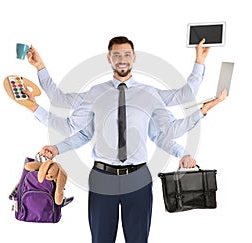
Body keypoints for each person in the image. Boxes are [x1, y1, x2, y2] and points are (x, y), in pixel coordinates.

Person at [24, 36, 226, 243]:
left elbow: (174, 114)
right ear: (109, 58)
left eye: (127, 54)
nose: (122, 59)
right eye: (117, 54)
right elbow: (67, 111)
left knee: (138, 240)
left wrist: (200, 66)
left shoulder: (148, 94)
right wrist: (39, 72)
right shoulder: (94, 93)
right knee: (101, 239)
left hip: (138, 178)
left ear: (134, 58)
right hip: (103, 177)